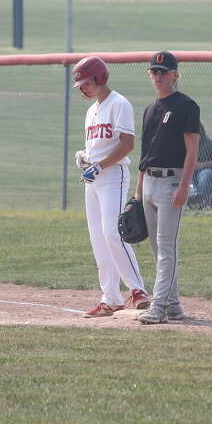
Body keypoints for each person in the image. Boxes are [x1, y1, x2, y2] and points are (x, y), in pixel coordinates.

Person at [71, 56, 150, 318]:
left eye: (85, 83)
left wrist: (101, 165)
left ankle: (137, 289)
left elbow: (127, 144)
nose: (82, 88)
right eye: (80, 85)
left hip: (113, 175)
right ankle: (111, 298)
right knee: (98, 238)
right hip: (93, 179)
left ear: (100, 78)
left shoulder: (119, 104)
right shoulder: (92, 110)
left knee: (113, 232)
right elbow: (100, 145)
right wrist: (86, 156)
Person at [135, 50, 200, 325]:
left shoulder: (187, 106)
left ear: (175, 75)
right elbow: (145, 154)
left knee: (166, 248)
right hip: (149, 181)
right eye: (154, 71)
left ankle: (158, 306)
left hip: (172, 182)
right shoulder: (150, 109)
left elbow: (192, 151)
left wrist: (184, 186)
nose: (158, 75)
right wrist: (138, 193)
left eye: (164, 71)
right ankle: (173, 306)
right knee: (156, 248)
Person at [189, 122, 212, 207]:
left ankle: (202, 200)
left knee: (205, 174)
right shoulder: (186, 143)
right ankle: (191, 197)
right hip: (191, 171)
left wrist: (203, 165)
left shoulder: (211, 143)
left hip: (208, 171)